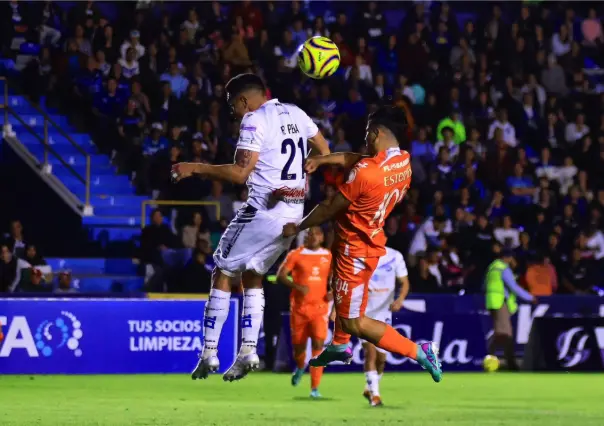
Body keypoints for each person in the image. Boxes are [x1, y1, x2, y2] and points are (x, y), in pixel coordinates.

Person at [171, 73, 330, 382]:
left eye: (233, 106)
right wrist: (302, 175)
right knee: (253, 275)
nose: (234, 113)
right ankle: (248, 351)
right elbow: (323, 150)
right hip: (293, 215)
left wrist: (196, 168)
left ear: (243, 101)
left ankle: (209, 354)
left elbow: (241, 173)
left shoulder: (254, 119)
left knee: (222, 270)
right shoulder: (296, 112)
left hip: (263, 210)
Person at [282, 105, 442, 383]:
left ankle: (419, 350)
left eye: (368, 134)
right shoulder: (402, 162)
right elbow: (357, 159)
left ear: (377, 133)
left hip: (353, 250)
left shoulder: (368, 172)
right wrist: (323, 161)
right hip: (369, 242)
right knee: (343, 308)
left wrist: (298, 226)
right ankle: (340, 345)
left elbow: (331, 205)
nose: (365, 140)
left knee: (354, 321)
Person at [276, 226, 332, 399]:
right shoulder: (296, 254)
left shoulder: (328, 256)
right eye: (309, 234)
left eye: (316, 233)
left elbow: (337, 279)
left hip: (320, 309)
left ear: (322, 237)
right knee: (299, 349)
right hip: (299, 309)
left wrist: (333, 294)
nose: (313, 236)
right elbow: (280, 275)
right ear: (306, 237)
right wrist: (297, 286)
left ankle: (315, 388)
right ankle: (300, 367)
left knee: (318, 345)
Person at [361, 246, 410, 407]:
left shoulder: (394, 255)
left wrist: (400, 299)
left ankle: (370, 388)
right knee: (371, 353)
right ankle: (375, 396)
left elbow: (404, 282)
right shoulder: (359, 254)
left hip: (384, 313)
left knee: (382, 359)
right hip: (364, 312)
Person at [484, 249, 536, 370]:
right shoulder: (503, 268)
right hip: (500, 302)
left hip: (491, 301)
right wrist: (529, 297)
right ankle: (505, 361)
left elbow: (484, 285)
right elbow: (514, 287)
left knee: (503, 333)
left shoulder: (492, 267)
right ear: (508, 257)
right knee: (505, 334)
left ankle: (506, 361)